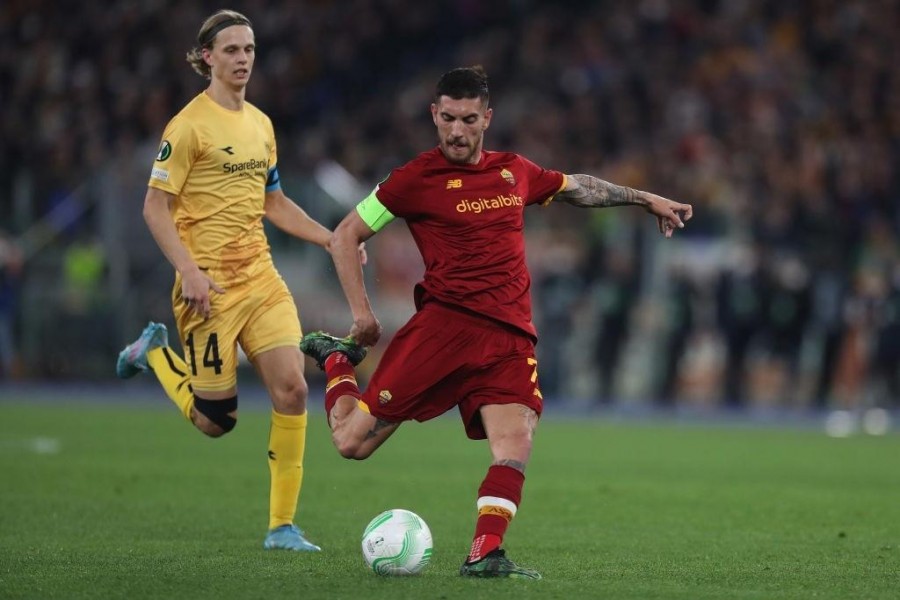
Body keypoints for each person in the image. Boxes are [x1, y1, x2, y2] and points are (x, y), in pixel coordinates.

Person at [300, 65, 692, 579]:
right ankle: (335, 362)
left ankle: (484, 553)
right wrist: (363, 317)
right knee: (353, 443)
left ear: (487, 117)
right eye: (447, 119)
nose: (456, 131)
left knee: (515, 444)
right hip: (444, 331)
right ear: (433, 116)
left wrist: (644, 199)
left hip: (508, 336)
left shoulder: (515, 171)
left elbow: (580, 188)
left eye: (467, 119)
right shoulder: (411, 180)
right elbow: (345, 235)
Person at [115, 9, 354, 552]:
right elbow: (155, 207)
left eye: (249, 49)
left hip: (260, 278)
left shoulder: (261, 124)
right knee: (215, 421)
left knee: (293, 389)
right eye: (231, 50)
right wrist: (189, 271)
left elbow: (274, 202)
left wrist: (329, 237)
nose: (243, 59)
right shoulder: (187, 126)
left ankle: (282, 527)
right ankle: (153, 351)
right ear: (207, 58)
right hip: (208, 289)